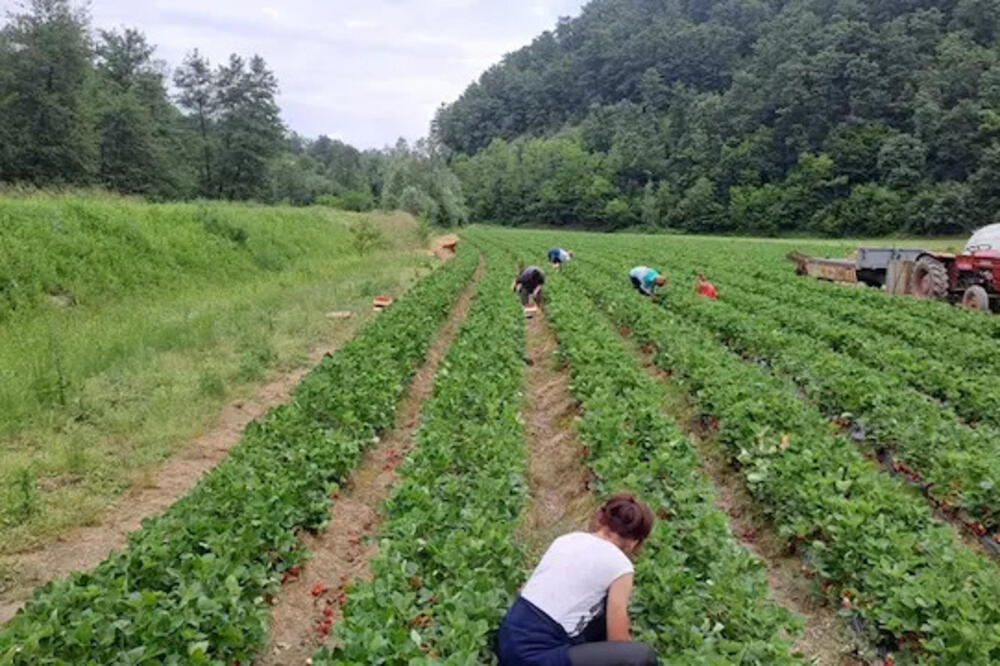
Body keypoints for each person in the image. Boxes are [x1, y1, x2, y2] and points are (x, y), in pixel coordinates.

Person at [496, 494, 658, 666]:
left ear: (601, 519)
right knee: (641, 656)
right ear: (634, 542)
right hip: (533, 658)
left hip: (508, 640)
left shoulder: (567, 539)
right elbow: (617, 640)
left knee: (600, 617)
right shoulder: (621, 565)